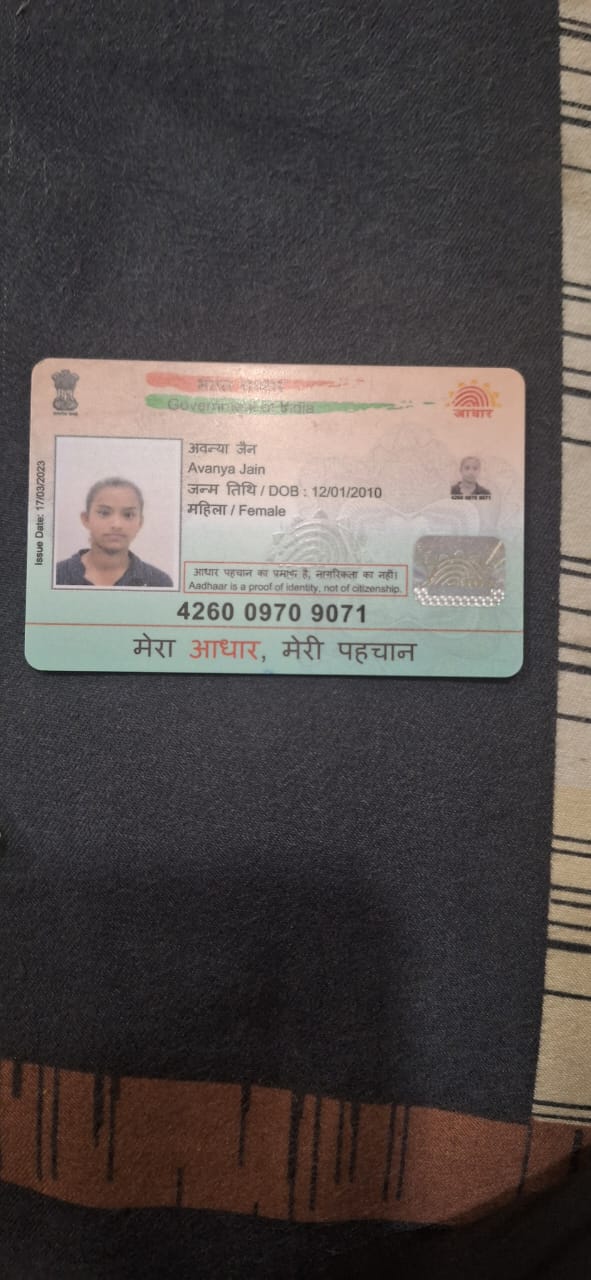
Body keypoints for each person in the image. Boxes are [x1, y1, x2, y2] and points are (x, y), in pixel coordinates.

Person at [55, 477, 174, 586]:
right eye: (104, 513)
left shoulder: (159, 582)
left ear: (140, 523)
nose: (116, 525)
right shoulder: (57, 575)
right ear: (86, 519)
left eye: (128, 515)